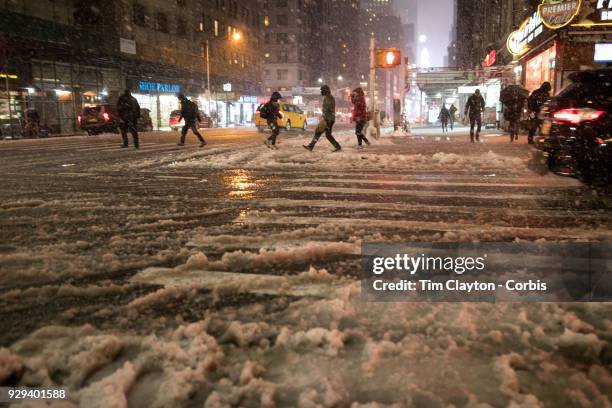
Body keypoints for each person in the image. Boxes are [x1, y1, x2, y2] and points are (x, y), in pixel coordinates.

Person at [303, 85, 342, 152]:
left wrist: (325, 112)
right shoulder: (327, 97)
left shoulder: (329, 97)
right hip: (327, 118)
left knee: (325, 134)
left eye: (322, 90)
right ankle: (311, 146)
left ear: (326, 90)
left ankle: (337, 147)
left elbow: (329, 107)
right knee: (320, 133)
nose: (321, 92)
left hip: (329, 119)